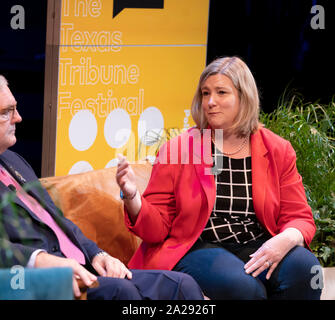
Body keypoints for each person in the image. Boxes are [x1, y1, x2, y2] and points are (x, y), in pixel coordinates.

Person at [0, 73, 204, 300]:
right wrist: (40, 260)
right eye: (6, 112)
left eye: (15, 108)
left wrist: (98, 253)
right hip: (36, 281)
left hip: (83, 267)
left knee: (182, 285)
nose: (19, 118)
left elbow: (58, 221)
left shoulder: (12, 159)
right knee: (123, 293)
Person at [116, 56, 322, 300]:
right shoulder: (180, 149)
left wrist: (285, 240)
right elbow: (157, 229)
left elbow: (299, 217)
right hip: (199, 246)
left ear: (243, 97)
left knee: (307, 270)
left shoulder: (277, 149)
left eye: (221, 92)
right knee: (245, 288)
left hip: (257, 243)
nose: (210, 102)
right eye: (205, 93)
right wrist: (131, 196)